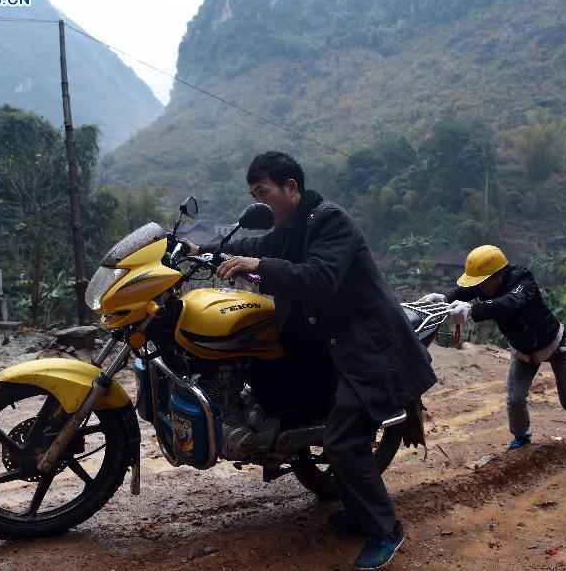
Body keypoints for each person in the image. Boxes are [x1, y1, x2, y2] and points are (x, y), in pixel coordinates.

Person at [184, 151, 436, 570]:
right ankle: (350, 503)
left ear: (292, 187)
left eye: (264, 193)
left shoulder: (330, 220)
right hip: (326, 342)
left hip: (365, 347)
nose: (262, 203)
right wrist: (202, 250)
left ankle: (385, 529)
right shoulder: (290, 227)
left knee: (342, 442)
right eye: (254, 195)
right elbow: (249, 245)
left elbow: (319, 277)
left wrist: (258, 265)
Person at [419, 245, 566, 450]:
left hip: (556, 346)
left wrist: (473, 308)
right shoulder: (484, 285)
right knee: (515, 399)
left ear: (499, 275)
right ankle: (522, 435)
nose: (480, 288)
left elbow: (510, 302)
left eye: (483, 282)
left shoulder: (523, 281)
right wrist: (444, 298)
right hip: (523, 351)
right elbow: (465, 290)